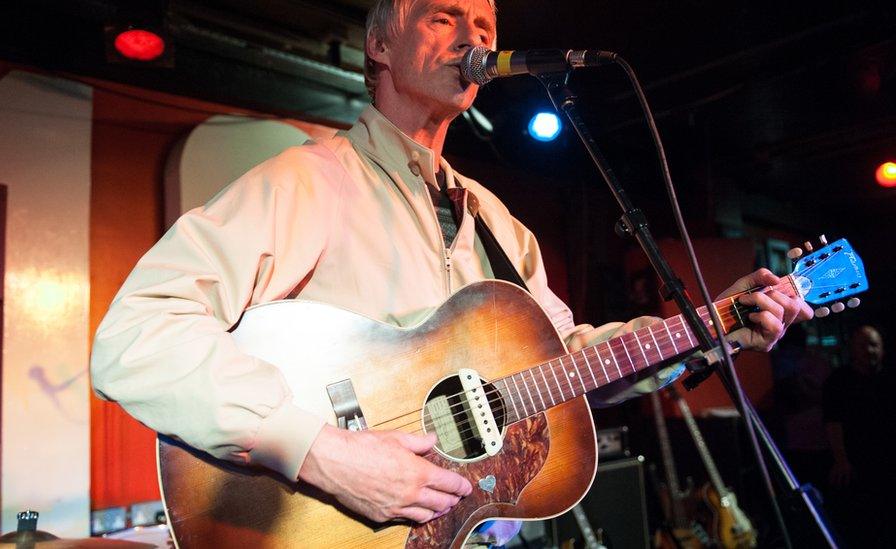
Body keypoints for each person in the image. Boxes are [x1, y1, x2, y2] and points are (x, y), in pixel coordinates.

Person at [90, 0, 811, 544]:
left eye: (485, 24)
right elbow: (135, 336)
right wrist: (323, 452)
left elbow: (566, 363)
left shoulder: (497, 220)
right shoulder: (305, 184)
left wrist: (711, 327)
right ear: (379, 43)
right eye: (443, 17)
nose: (475, 39)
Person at [822, 325, 895, 547]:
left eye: (874, 345)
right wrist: (841, 460)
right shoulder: (839, 380)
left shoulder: (889, 378)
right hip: (858, 463)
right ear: (853, 349)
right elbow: (833, 423)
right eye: (863, 345)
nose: (869, 350)